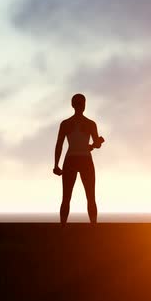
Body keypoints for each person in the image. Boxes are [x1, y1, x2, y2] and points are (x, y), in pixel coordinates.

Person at [53, 93, 104, 225]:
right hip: (85, 160)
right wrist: (96, 144)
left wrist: (56, 165)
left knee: (66, 197)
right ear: (84, 105)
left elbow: (59, 144)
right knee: (90, 197)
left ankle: (62, 228)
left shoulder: (65, 123)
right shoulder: (90, 124)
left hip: (71, 160)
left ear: (72, 105)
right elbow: (96, 144)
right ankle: (93, 227)